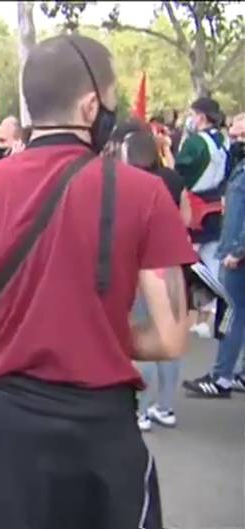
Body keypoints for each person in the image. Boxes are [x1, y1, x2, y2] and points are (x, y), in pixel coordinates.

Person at [0, 35, 196, 529]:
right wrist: (96, 337)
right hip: (99, 438)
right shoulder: (146, 194)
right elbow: (173, 336)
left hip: (0, 433)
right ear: (92, 104)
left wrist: (22, 336)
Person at [108, 119, 187, 431]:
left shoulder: (123, 182)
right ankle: (165, 406)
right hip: (170, 264)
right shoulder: (172, 179)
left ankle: (139, 409)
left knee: (137, 336)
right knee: (169, 338)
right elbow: (186, 218)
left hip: (135, 268)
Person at [183, 134, 245, 398]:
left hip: (236, 251)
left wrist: (238, 250)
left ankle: (221, 377)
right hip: (232, 245)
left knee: (231, 315)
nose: (234, 133)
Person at [176, 97, 231, 276]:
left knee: (190, 260)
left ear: (201, 117)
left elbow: (180, 172)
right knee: (214, 261)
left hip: (195, 207)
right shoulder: (224, 139)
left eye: (192, 115)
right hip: (218, 204)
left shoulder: (195, 143)